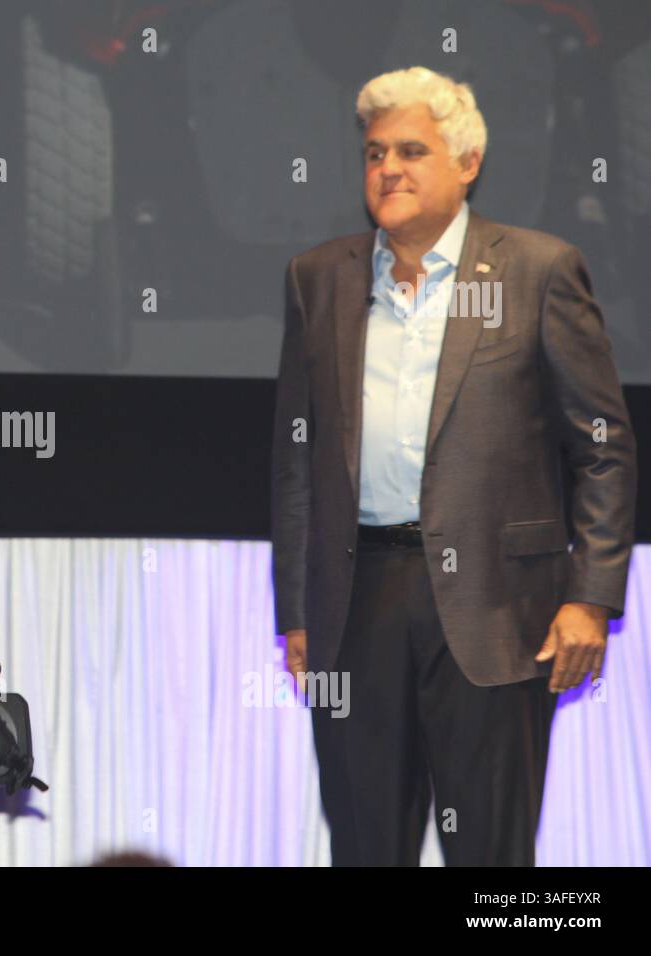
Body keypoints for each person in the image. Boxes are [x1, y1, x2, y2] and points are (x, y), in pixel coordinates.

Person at [271, 66, 637, 866]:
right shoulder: (319, 278)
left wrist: (591, 599)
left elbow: (603, 446)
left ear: (467, 162)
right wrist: (296, 608)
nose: (387, 170)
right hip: (356, 600)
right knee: (367, 846)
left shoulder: (536, 270)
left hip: (500, 608)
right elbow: (296, 455)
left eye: (410, 150)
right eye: (373, 153)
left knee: (493, 860)